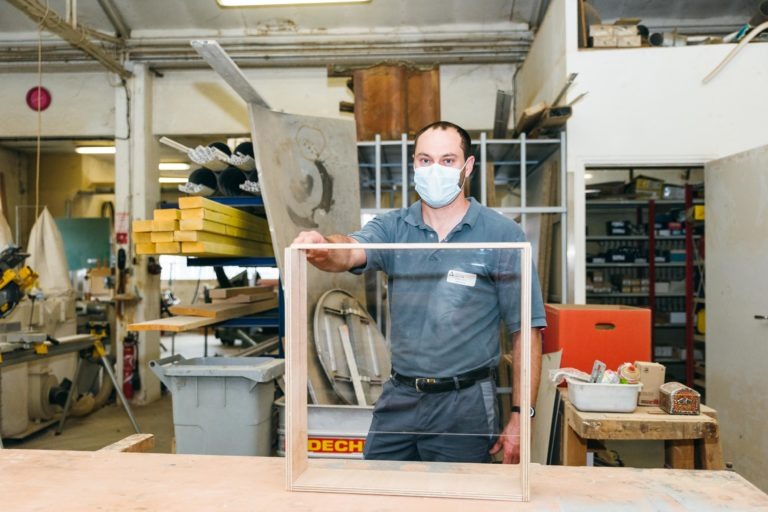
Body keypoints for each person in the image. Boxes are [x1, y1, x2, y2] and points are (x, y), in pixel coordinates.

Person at [292, 121, 546, 464]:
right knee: (376, 493)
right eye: (425, 160)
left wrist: (521, 414)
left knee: (457, 500)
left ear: (467, 167)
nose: (434, 170)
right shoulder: (394, 227)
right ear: (414, 165)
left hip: (465, 403)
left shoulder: (502, 235)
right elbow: (351, 249)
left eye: (447, 160)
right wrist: (322, 246)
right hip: (400, 396)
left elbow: (525, 331)